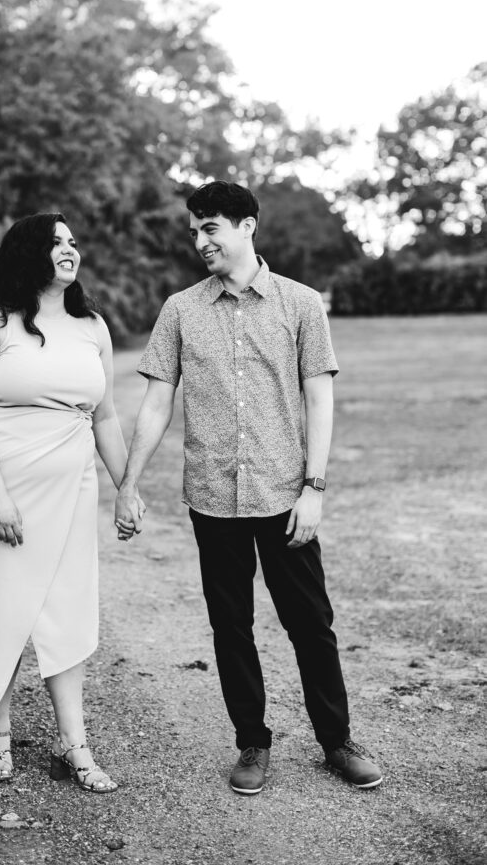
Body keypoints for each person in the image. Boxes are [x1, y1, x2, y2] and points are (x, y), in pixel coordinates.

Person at [114, 180, 382, 794]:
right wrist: (128, 484)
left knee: (310, 623)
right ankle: (252, 744)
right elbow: (156, 404)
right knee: (230, 626)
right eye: (194, 231)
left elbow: (320, 395)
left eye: (210, 228)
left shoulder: (301, 303)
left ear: (247, 226)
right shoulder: (180, 310)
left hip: (285, 494)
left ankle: (336, 741)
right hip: (211, 497)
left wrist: (314, 486)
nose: (200, 241)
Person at [0, 212, 143, 792]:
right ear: (27, 252)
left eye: (73, 243)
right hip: (2, 483)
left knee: (66, 606)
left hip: (72, 488)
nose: (69, 250)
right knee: (6, 604)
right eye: (56, 242)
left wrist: (125, 487)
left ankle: (74, 743)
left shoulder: (92, 325)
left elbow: (105, 415)